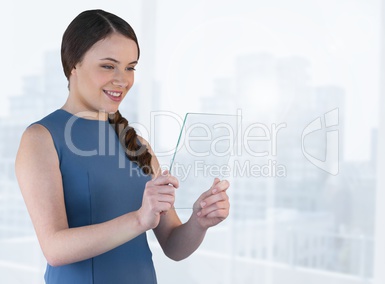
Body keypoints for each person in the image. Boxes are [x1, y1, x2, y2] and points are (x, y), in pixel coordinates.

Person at [15, 9, 230, 283]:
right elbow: (54, 249)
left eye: (130, 67)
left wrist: (200, 222)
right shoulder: (41, 138)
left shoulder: (139, 145)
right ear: (73, 65)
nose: (123, 80)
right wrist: (139, 220)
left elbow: (174, 246)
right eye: (108, 65)